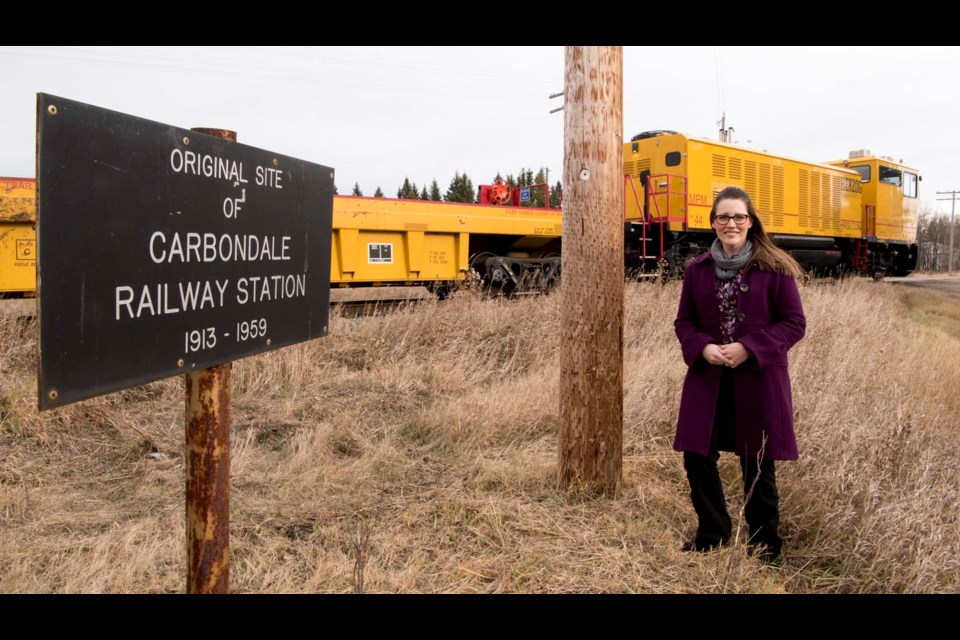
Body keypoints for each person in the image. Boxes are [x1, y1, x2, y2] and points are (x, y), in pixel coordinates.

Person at [674, 186, 806, 563]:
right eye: (723, 217)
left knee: (757, 462)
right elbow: (684, 322)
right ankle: (712, 535)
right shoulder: (696, 270)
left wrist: (751, 346)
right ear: (713, 222)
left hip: (758, 379)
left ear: (750, 222)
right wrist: (701, 346)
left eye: (739, 217)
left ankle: (765, 547)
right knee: (696, 455)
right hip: (708, 378)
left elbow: (795, 323)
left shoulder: (776, 267)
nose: (731, 223)